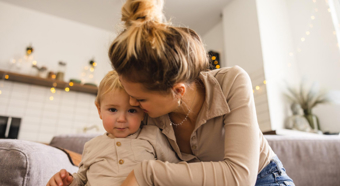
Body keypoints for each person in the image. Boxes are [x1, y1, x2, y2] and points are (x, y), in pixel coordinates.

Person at [108, 0, 295, 185]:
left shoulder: (232, 81)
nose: (131, 103)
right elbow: (116, 151)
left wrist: (147, 172)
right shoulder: (148, 112)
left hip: (264, 179)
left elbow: (239, 177)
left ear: (177, 91)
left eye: (140, 98)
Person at [46, 71, 179, 186]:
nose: (121, 119)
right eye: (113, 109)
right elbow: (81, 178)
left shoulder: (152, 135)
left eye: (132, 111)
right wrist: (68, 181)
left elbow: (174, 170)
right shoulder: (92, 146)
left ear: (143, 112)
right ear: (99, 110)